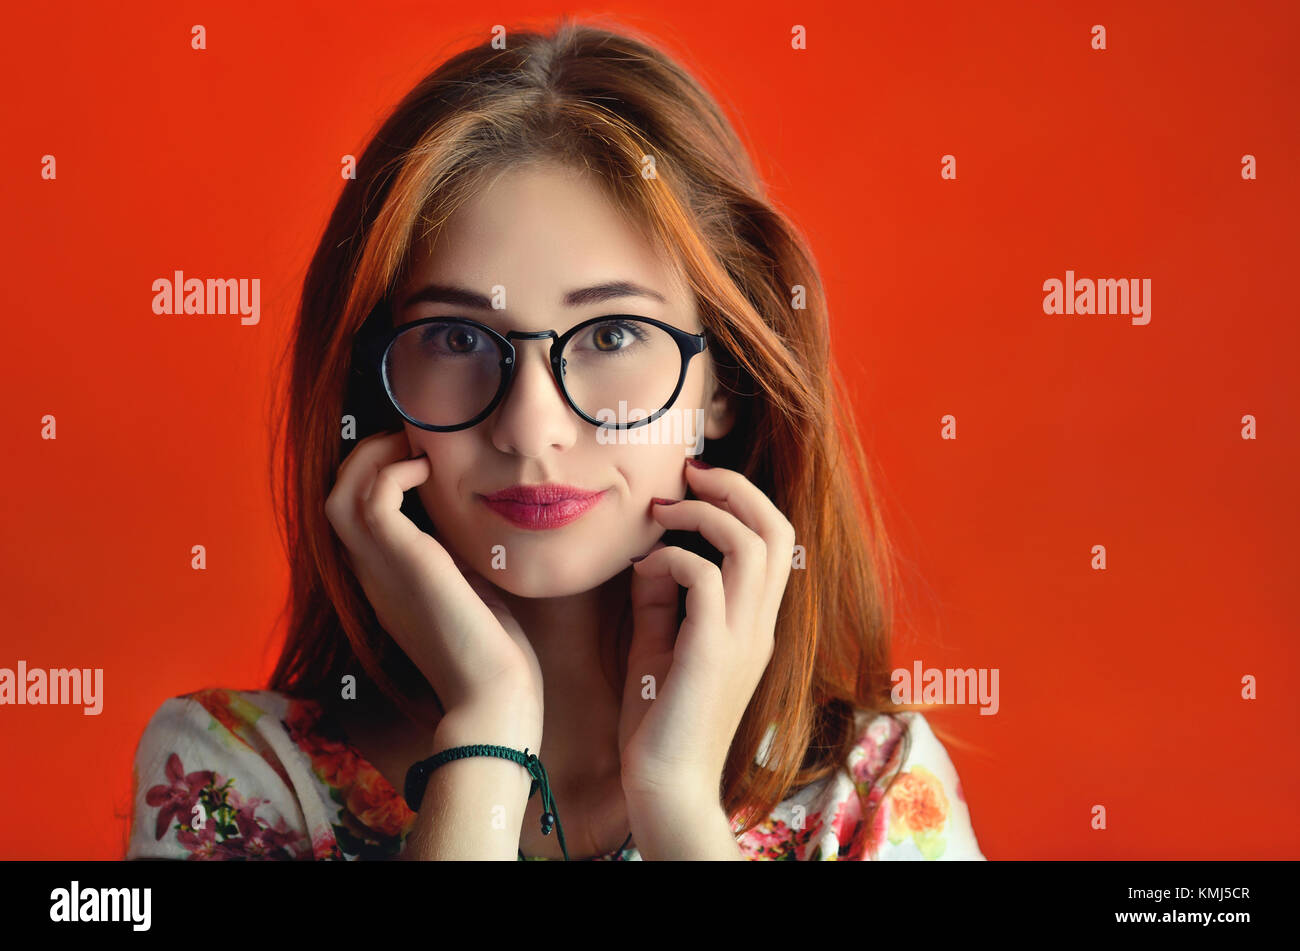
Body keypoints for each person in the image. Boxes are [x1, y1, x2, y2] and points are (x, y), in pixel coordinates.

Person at [126, 17, 985, 861]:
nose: (531, 429)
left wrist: (677, 803)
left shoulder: (868, 793)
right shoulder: (235, 782)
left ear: (725, 381)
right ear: (377, 390)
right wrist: (486, 732)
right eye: (457, 339)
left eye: (612, 334)